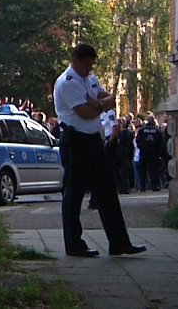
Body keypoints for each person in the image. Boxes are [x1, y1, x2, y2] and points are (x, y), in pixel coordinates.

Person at [53, 43, 145, 258]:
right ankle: (74, 244)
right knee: (74, 194)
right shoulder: (68, 82)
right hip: (76, 140)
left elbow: (109, 99)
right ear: (76, 60)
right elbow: (85, 113)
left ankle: (119, 242)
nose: (90, 68)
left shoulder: (89, 79)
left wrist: (97, 103)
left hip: (93, 140)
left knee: (107, 192)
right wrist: (98, 105)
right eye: (87, 64)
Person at [136, 114, 165, 191]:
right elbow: (161, 142)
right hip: (154, 153)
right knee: (154, 170)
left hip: (144, 153)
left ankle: (143, 187)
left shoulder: (142, 130)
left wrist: (142, 147)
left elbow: (138, 141)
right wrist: (159, 152)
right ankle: (155, 186)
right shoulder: (157, 131)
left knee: (143, 171)